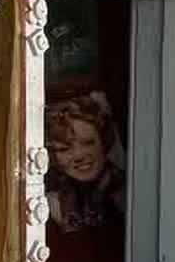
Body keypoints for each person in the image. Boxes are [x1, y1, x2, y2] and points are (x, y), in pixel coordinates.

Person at [45, 92, 126, 232]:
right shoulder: (51, 201)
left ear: (104, 141)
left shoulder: (127, 189)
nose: (79, 155)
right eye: (64, 149)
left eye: (88, 143)